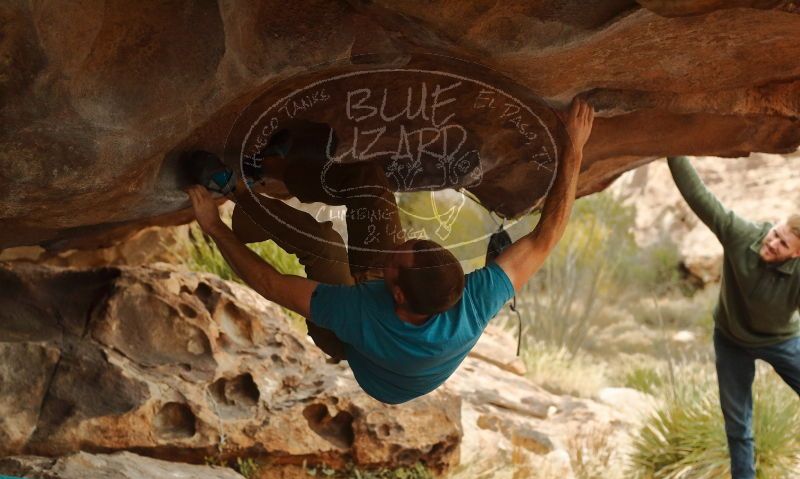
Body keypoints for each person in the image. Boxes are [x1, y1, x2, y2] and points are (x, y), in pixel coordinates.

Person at [185, 98, 595, 404]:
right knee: (370, 183)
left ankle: (236, 191)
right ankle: (274, 170)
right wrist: (574, 149)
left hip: (357, 350)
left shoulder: (360, 313)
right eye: (413, 244)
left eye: (397, 257)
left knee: (322, 244)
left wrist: (214, 226)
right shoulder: (476, 300)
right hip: (400, 326)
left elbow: (270, 283)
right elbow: (547, 236)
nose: (397, 243)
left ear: (392, 289)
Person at [666, 156, 800, 479]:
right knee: (738, 420)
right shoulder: (742, 234)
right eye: (775, 233)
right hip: (732, 340)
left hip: (781, 340)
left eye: (782, 243)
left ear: (797, 254)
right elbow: (699, 196)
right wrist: (671, 145)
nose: (771, 243)